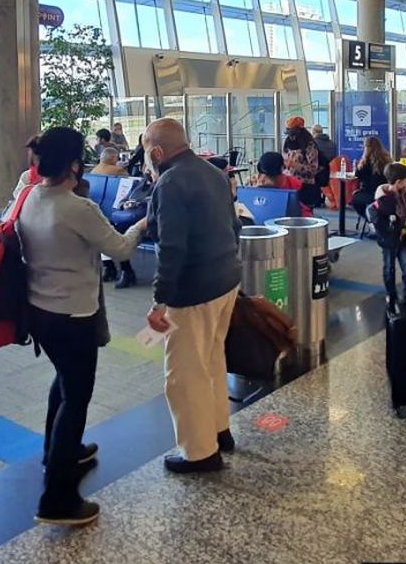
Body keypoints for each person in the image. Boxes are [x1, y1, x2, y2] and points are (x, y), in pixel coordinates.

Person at [14, 127, 148, 525]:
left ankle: (57, 452)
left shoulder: (28, 197)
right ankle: (57, 498)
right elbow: (120, 249)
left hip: (40, 311)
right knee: (76, 398)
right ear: (74, 164)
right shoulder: (77, 208)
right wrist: (141, 224)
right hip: (74, 315)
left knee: (64, 383)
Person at [142, 118, 242, 474]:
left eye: (146, 153)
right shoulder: (214, 172)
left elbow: (171, 249)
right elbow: (235, 226)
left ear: (156, 151)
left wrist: (159, 301)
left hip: (193, 291)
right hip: (226, 282)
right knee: (213, 358)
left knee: (184, 374)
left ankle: (200, 453)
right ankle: (219, 430)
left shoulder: (169, 183)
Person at [371, 162, 406, 308]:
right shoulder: (383, 199)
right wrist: (393, 230)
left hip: (403, 239)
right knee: (389, 268)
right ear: (399, 182)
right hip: (389, 240)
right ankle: (391, 295)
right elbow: (376, 219)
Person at [252, 151, 311, 216]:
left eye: (272, 176)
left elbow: (305, 212)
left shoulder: (295, 185)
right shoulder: (257, 183)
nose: (269, 179)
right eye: (266, 175)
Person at [350, 135, 393, 222]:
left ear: (367, 148)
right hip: (385, 194)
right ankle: (376, 219)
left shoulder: (366, 162)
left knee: (354, 199)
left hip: (370, 194)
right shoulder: (387, 159)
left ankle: (370, 219)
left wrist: (359, 164)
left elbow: (357, 175)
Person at [281, 120, 321, 208]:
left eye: (293, 134)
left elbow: (314, 169)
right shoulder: (288, 143)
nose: (291, 137)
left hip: (305, 185)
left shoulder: (309, 145)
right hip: (289, 183)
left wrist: (297, 166)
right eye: (289, 134)